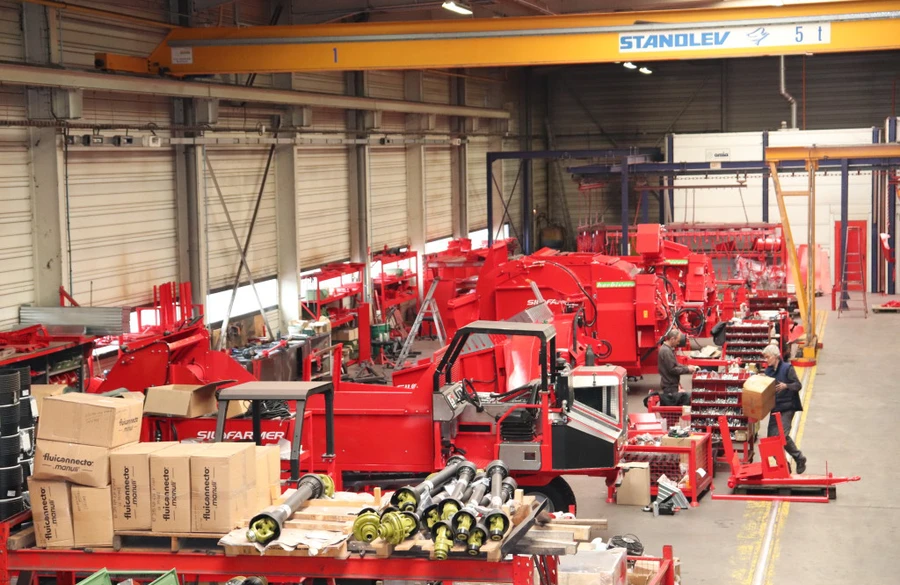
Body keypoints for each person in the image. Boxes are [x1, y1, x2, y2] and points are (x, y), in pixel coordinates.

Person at [762, 344, 807, 474]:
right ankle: (783, 464)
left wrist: (786, 386)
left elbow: (798, 385)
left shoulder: (787, 368)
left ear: (775, 356)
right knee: (771, 441)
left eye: (767, 357)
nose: (766, 360)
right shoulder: (768, 371)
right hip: (775, 407)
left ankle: (799, 458)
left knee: (783, 435)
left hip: (788, 406)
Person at [656, 329, 698, 406]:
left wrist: (687, 367)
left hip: (671, 384)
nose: (678, 343)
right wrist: (687, 369)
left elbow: (675, 364)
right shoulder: (666, 351)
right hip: (670, 386)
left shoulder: (667, 349)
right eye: (677, 341)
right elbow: (672, 369)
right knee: (672, 411)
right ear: (672, 339)